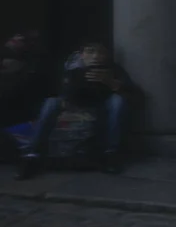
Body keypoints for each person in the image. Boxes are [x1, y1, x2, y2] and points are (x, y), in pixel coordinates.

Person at [14, 41, 131, 180]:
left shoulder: (115, 70)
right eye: (90, 51)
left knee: (117, 100)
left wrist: (113, 84)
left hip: (102, 107)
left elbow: (135, 95)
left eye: (101, 52)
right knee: (51, 102)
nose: (96, 56)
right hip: (73, 104)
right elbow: (60, 92)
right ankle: (32, 156)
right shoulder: (71, 69)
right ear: (81, 55)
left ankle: (110, 153)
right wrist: (75, 84)